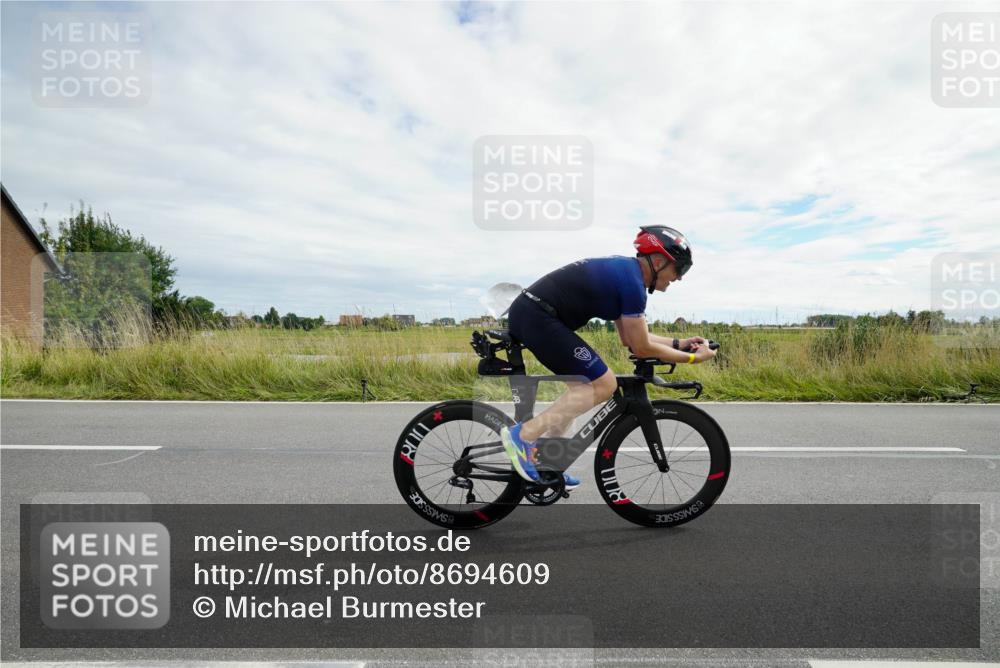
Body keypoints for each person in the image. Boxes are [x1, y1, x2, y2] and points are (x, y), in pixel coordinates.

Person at [501, 226, 717, 489]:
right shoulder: (632, 284)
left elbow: (632, 337)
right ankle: (523, 436)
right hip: (537, 317)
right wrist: (693, 359)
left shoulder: (627, 274)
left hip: (536, 315)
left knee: (582, 389)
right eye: (679, 269)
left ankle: (549, 462)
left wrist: (680, 344)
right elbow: (640, 348)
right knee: (604, 384)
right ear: (659, 262)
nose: (679, 278)